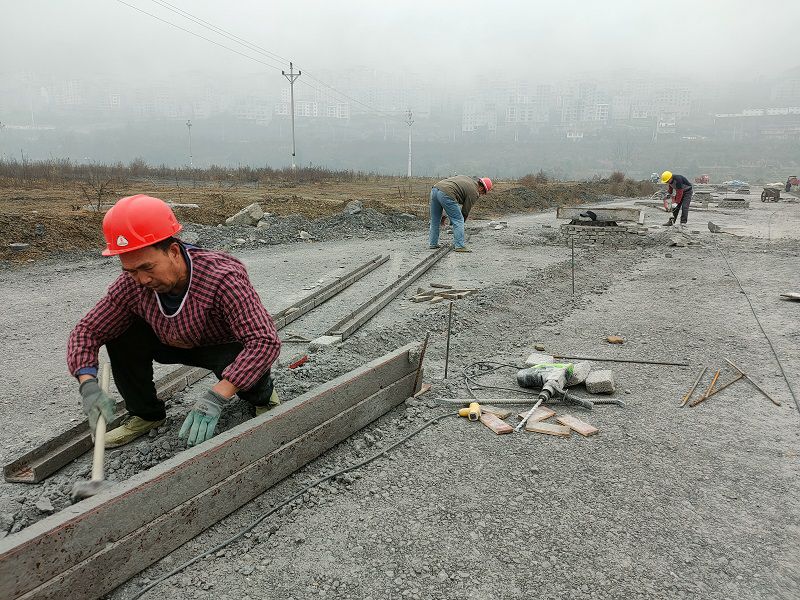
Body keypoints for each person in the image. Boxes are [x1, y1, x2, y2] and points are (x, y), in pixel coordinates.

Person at [67, 194, 282, 448]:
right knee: (118, 332)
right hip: (169, 340)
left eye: (148, 268)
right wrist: (87, 383)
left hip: (222, 347)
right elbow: (87, 330)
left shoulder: (222, 277)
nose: (142, 279)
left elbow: (265, 341)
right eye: (131, 271)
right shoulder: (131, 285)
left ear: (173, 251)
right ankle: (146, 415)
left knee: (249, 366)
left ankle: (263, 399)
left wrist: (217, 396)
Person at [429, 175, 493, 252]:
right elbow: (465, 211)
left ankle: (433, 243)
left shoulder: (467, 180)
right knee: (459, 220)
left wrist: (445, 215)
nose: (481, 194)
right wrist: (458, 223)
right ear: (481, 188)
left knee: (435, 219)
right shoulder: (474, 192)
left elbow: (450, 201)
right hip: (446, 193)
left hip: (435, 189)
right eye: (483, 192)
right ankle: (459, 246)